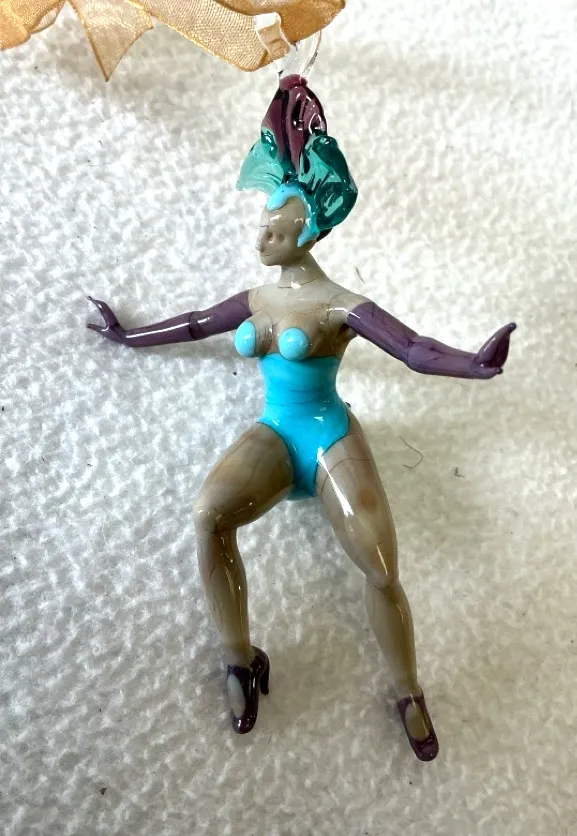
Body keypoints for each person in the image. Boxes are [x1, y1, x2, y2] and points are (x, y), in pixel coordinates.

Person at [88, 75, 515, 761]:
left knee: (380, 565)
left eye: (274, 228)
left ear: (306, 231)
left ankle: (407, 689)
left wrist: (472, 363)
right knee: (208, 515)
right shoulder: (257, 299)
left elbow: (411, 348)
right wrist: (127, 336)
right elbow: (195, 323)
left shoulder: (339, 304)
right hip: (276, 435)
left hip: (326, 435)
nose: (261, 236)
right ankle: (238, 658)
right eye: (262, 225)